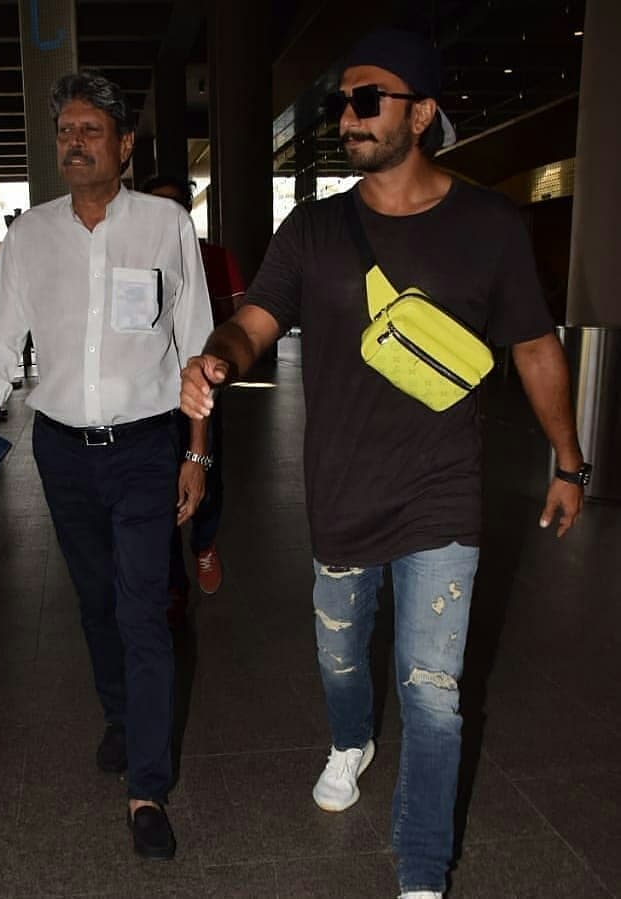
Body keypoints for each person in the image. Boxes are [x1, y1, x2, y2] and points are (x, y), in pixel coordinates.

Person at [179, 28, 588, 899]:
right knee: (338, 656)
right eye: (341, 103)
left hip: (442, 496)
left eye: (368, 100)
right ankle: (350, 738)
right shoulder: (315, 229)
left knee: (434, 692)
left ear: (423, 113)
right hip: (339, 491)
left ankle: (420, 871)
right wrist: (216, 356)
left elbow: (533, 347)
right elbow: (254, 319)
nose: (348, 116)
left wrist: (568, 461)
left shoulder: (486, 224)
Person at [0, 70, 213, 861]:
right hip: (61, 449)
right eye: (64, 132)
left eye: (90, 130)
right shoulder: (31, 235)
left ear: (124, 145)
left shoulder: (165, 225)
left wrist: (197, 451)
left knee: (141, 609)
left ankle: (147, 785)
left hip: (144, 446)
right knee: (96, 601)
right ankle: (121, 715)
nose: (74, 143)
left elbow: (198, 346)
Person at [141, 174, 245, 621]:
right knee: (157, 484)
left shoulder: (215, 259)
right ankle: (170, 581)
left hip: (200, 390)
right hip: (150, 399)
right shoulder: (136, 262)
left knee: (205, 470)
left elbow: (241, 323)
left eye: (176, 207)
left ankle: (204, 543)